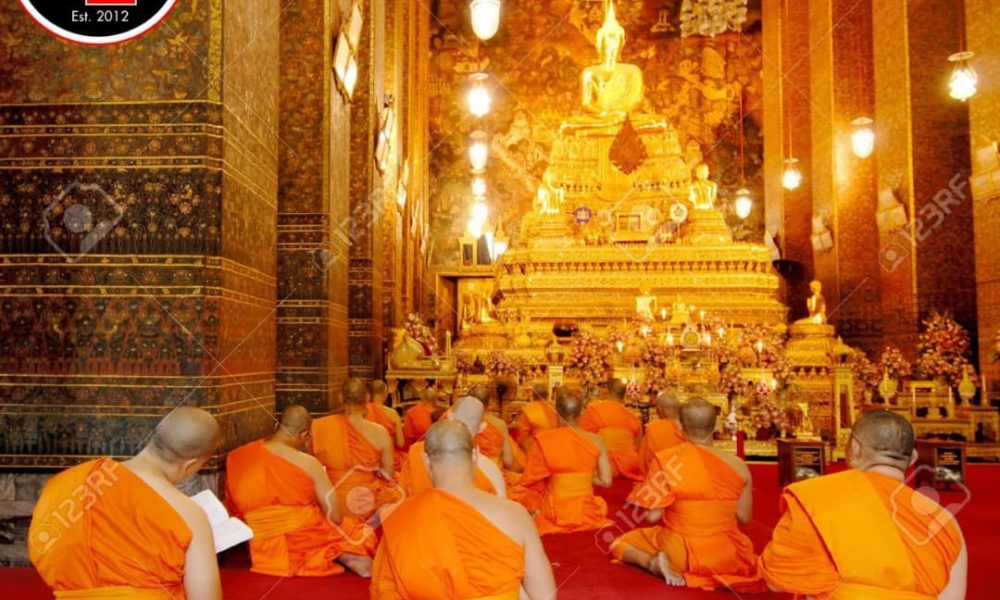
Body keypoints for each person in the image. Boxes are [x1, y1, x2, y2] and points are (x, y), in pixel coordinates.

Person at [759, 410, 967, 599]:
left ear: (855, 448)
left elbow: (775, 581)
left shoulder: (819, 499)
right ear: (913, 457)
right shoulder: (944, 521)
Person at [29, 407, 222, 600]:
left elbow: (42, 545)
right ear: (191, 465)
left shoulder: (69, 483)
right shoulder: (190, 514)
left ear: (154, 439)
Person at [371, 421, 557, 599]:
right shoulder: (515, 514)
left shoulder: (401, 519)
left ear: (426, 460)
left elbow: (386, 593)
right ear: (475, 455)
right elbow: (544, 596)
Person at [610, 398, 764, 591]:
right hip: (728, 555)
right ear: (716, 423)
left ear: (679, 425)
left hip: (680, 553)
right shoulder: (739, 466)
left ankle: (651, 563)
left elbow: (652, 516)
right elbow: (745, 517)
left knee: (618, 543)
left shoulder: (668, 461)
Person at [226, 405, 376, 577]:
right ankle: (338, 551)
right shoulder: (309, 463)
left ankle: (331, 551)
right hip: (303, 534)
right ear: (304, 435)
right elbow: (335, 516)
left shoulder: (237, 456)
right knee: (356, 532)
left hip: (260, 539)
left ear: (277, 426)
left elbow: (234, 509)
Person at [520, 390, 613, 535]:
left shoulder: (543, 440)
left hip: (554, 512)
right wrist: (585, 477)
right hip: (586, 512)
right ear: (581, 413)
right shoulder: (597, 441)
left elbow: (532, 481)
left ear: (556, 412)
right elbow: (606, 481)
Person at [311, 378, 399, 522]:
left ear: (340, 398)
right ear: (367, 398)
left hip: (332, 500)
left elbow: (314, 470)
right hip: (367, 499)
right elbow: (388, 475)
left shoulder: (321, 427)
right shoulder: (380, 432)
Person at [398, 396, 506, 497]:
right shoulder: (489, 470)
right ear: (482, 428)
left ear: (449, 416)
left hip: (421, 516)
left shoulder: (418, 452)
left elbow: (402, 497)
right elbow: (500, 511)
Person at [580, 379, 643, 480]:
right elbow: (638, 447)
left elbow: (582, 439)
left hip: (604, 465)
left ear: (606, 391)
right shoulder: (632, 417)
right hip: (629, 465)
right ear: (624, 394)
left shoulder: (594, 410)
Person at [467, 384, 523, 473]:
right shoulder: (499, 424)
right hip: (493, 474)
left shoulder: (459, 421)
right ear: (490, 402)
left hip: (467, 474)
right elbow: (508, 461)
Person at [638, 391, 685, 472]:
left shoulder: (655, 429)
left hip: (659, 478)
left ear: (659, 409)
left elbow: (642, 464)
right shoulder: (689, 427)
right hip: (685, 475)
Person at [367, 380, 406, 469]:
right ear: (385, 393)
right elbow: (400, 443)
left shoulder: (363, 412)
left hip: (368, 458)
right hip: (389, 459)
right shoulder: (392, 414)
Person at [512, 383, 559, 451]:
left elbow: (521, 438)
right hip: (555, 448)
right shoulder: (555, 408)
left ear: (533, 395)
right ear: (548, 395)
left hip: (537, 449)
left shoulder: (527, 410)